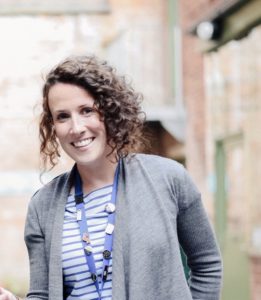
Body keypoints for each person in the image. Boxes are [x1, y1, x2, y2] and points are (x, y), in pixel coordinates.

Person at [0, 55, 222, 300]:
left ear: (110, 111)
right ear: (53, 126)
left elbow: (207, 264)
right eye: (63, 116)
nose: (76, 127)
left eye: (87, 111)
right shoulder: (43, 206)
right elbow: (42, 294)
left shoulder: (168, 178)